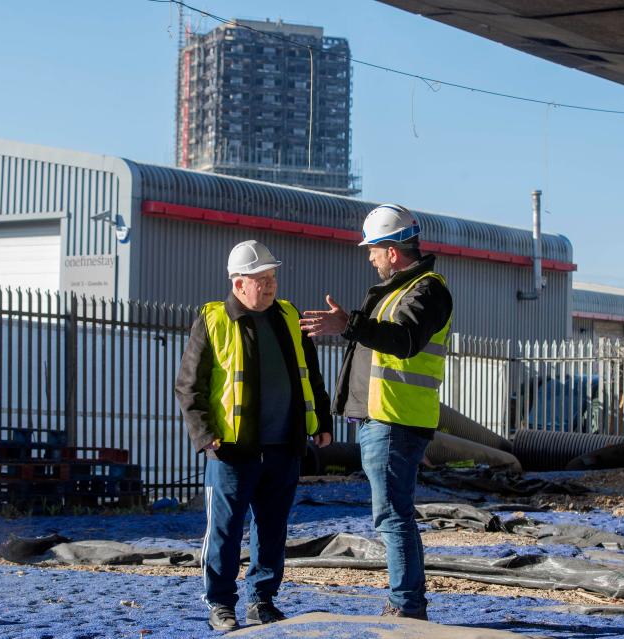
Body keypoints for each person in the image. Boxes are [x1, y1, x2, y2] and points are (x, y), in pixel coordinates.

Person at [299, 204, 453, 620]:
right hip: (383, 420)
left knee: (392, 516)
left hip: (395, 420)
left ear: (391, 249)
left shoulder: (428, 290)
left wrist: (348, 324)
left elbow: (404, 341)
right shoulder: (400, 290)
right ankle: (408, 602)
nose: (369, 257)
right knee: (394, 515)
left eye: (373, 249)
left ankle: (406, 606)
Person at [176, 239, 333, 632]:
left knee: (272, 529)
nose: (269, 285)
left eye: (272, 277)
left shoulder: (287, 316)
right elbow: (188, 386)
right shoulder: (213, 321)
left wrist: (323, 422)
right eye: (261, 279)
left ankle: (262, 601)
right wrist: (204, 434)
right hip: (232, 450)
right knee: (224, 533)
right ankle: (220, 605)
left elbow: (311, 375)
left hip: (284, 445)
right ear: (238, 283)